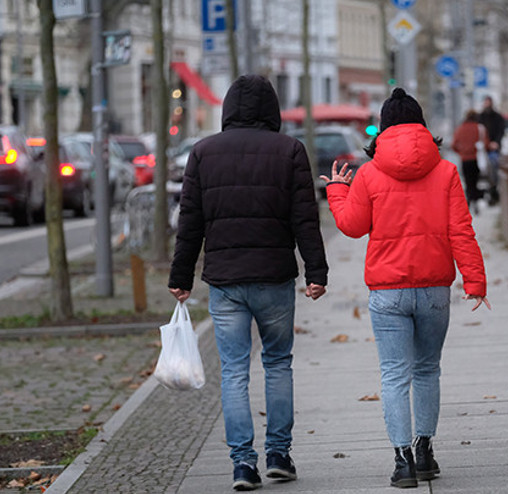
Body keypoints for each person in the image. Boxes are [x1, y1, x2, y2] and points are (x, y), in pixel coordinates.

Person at [320, 88, 490, 489]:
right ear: (422, 126)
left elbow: (352, 226)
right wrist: (475, 280)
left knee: (395, 375)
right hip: (434, 288)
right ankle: (425, 450)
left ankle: (402, 462)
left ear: (382, 130)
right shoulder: (446, 171)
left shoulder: (369, 174)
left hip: (387, 290)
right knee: (427, 369)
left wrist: (337, 191)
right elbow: (461, 231)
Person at [168, 74, 329, 492]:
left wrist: (180, 276)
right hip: (275, 277)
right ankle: (278, 455)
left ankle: (243, 463)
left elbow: (190, 221)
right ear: (272, 109)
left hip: (225, 280)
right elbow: (305, 218)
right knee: (278, 363)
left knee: (234, 370)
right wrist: (316, 272)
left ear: (227, 109)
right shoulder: (290, 150)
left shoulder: (203, 152)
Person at [451, 109, 490, 214]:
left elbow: (453, 145)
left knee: (468, 182)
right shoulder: (479, 128)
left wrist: (461, 152)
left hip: (464, 160)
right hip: (476, 159)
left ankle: (468, 201)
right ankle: (475, 201)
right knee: (475, 181)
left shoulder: (460, 129)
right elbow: (486, 144)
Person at [478, 95, 506, 205]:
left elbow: (501, 131)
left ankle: (493, 190)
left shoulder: (497, 117)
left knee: (494, 167)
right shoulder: (480, 117)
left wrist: (496, 143)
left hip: (494, 148)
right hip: (482, 149)